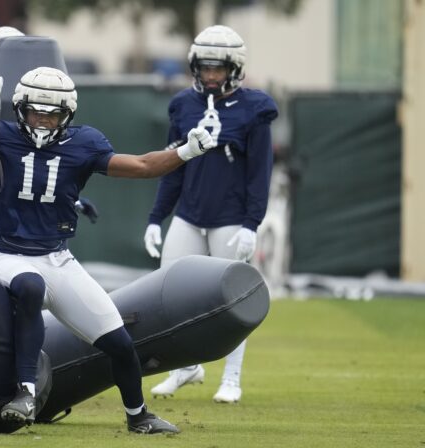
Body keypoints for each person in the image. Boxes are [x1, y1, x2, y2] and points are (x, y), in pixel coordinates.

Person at [0, 66, 213, 434]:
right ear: (19, 108)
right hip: (8, 255)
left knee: (121, 343)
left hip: (58, 258)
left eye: (52, 113)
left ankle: (138, 415)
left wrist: (185, 151)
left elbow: (141, 166)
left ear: (68, 114)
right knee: (30, 287)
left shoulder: (83, 143)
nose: (43, 121)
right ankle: (25, 391)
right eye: (35, 112)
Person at [143, 25, 278, 403]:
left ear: (234, 69)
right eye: (205, 68)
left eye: (218, 68)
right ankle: (184, 368)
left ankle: (231, 378)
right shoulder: (184, 105)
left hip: (231, 217)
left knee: (232, 302)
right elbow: (173, 166)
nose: (211, 75)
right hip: (189, 213)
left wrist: (252, 223)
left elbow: (259, 173)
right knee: (166, 295)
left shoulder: (255, 109)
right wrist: (157, 217)